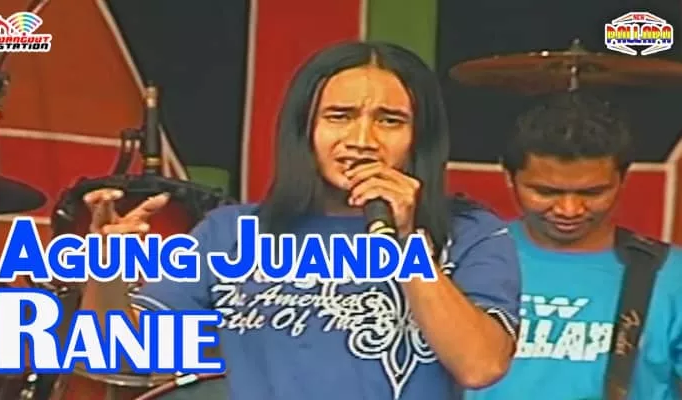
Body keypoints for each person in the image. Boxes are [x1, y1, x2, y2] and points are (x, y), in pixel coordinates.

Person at [83, 41, 521, 400]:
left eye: (389, 121)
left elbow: (480, 366)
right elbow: (122, 357)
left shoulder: (469, 233)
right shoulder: (231, 233)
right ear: (304, 129)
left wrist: (407, 242)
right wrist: (107, 269)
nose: (362, 140)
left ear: (418, 139)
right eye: (339, 116)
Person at [465, 92, 682, 400]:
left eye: (593, 193)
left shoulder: (671, 276)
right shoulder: (460, 257)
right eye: (545, 192)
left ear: (623, 179)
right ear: (509, 177)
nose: (569, 210)